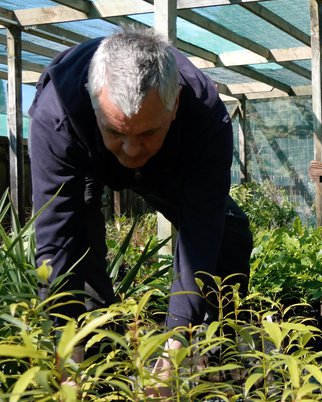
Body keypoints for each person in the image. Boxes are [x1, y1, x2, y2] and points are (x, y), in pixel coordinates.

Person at [28, 27, 253, 384]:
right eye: (116, 131)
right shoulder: (56, 115)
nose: (132, 150)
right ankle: (99, 365)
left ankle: (215, 352)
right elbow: (57, 238)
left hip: (171, 162)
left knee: (230, 235)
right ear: (92, 100)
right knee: (81, 252)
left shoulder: (204, 113)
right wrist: (64, 340)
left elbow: (201, 230)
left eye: (147, 132)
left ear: (174, 104)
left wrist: (176, 341)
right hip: (84, 153)